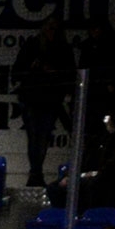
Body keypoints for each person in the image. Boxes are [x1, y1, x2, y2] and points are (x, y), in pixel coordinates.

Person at [14, 16, 77, 187]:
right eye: (49, 28)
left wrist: (55, 73)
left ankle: (36, 173)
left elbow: (70, 75)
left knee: (42, 137)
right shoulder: (32, 45)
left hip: (51, 99)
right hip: (31, 97)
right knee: (34, 136)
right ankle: (35, 173)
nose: (52, 32)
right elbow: (17, 71)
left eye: (56, 29)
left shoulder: (64, 49)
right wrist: (33, 67)